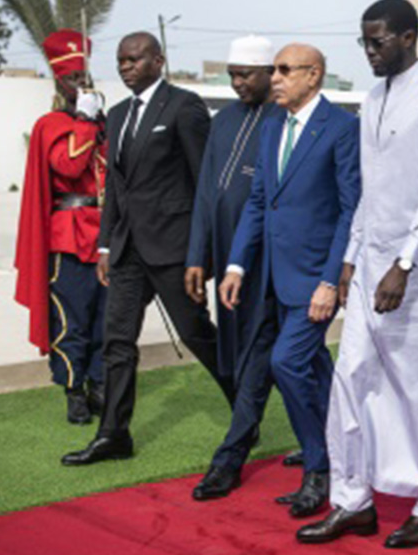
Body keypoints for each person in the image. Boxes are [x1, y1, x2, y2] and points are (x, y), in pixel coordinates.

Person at [298, 0, 418, 549]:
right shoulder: (371, 101)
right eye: (363, 42)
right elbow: (369, 198)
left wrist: (402, 265)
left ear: (408, 36)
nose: (369, 52)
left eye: (378, 41)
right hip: (371, 267)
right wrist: (351, 262)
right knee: (350, 382)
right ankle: (353, 502)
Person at [62, 32, 229, 466]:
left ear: (158, 60)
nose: (125, 66)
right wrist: (103, 247)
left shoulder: (184, 106)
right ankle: (114, 435)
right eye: (120, 60)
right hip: (126, 252)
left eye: (134, 59)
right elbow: (116, 187)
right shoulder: (116, 115)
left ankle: (244, 405)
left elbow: (204, 184)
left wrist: (201, 253)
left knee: (197, 335)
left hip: (174, 249)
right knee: (116, 343)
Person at [218, 43, 361, 517]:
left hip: (315, 280)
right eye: (273, 70)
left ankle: (319, 469)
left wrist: (330, 280)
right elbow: (260, 201)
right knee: (315, 369)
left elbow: (349, 210)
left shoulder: (342, 129)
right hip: (272, 279)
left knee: (287, 362)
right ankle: (346, 453)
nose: (273, 78)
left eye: (284, 70)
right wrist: (237, 265)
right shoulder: (273, 124)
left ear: (314, 75)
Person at [185, 36, 288, 501]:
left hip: (271, 261)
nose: (237, 83)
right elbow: (208, 192)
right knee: (287, 357)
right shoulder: (223, 120)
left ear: (271, 72)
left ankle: (231, 455)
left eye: (246, 74)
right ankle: (327, 435)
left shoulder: (284, 119)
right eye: (232, 74)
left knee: (256, 353)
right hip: (228, 262)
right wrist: (197, 255)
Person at [14, 29, 108, 425]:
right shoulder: (51, 124)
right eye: (72, 79)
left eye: (84, 78)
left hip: (105, 234)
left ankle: (102, 383)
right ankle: (74, 389)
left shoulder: (102, 122)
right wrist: (85, 120)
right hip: (68, 235)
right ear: (58, 82)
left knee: (106, 318)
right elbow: (68, 165)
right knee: (71, 318)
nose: (79, 85)